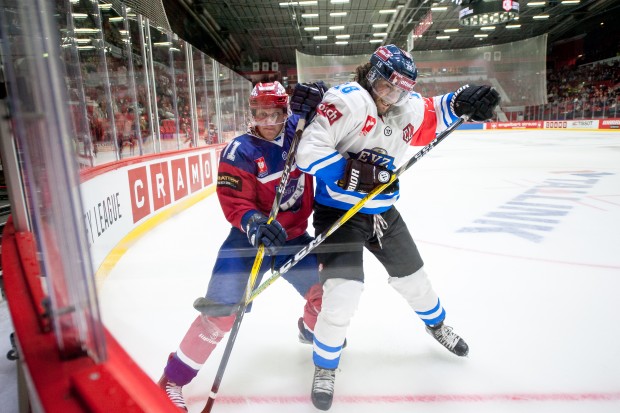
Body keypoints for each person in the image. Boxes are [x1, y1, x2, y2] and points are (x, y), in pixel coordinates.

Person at [294, 45, 500, 410]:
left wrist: (465, 99)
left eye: (401, 90)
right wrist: (351, 173)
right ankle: (325, 366)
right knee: (342, 294)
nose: (392, 97)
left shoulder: (406, 106)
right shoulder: (348, 100)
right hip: (339, 214)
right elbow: (309, 150)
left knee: (415, 280)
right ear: (371, 75)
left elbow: (436, 110)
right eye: (387, 87)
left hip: (383, 213)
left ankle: (436, 326)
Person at [158, 81, 326, 411]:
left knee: (328, 293)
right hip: (249, 241)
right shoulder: (240, 151)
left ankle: (309, 329)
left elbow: (339, 121)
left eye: (274, 114)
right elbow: (234, 200)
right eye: (260, 114)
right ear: (251, 114)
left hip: (293, 238)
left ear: (286, 111)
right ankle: (172, 379)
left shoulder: (302, 129)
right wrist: (253, 222)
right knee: (220, 313)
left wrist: (322, 97)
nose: (267, 121)